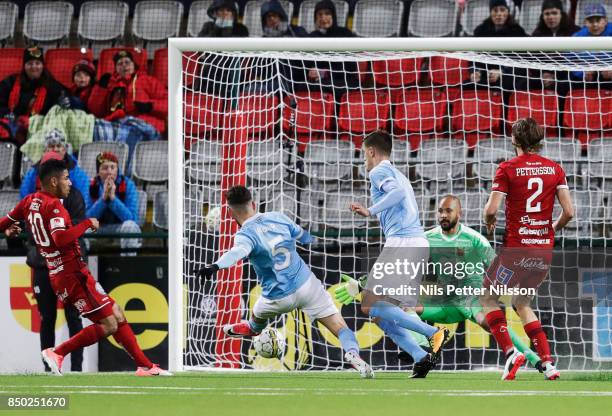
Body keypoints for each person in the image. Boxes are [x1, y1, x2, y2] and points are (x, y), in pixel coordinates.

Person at [336, 195, 542, 378]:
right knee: (386, 310)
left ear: (459, 213)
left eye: (448, 211)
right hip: (443, 302)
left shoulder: (475, 240)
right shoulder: (427, 238)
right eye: (440, 211)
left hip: (470, 299)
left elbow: (498, 270)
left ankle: (534, 359)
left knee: (490, 322)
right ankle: (420, 348)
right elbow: (397, 265)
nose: (443, 215)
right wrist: (365, 282)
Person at [0, 158, 170, 376]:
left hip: (66, 273)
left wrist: (10, 228)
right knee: (109, 324)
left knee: (116, 313)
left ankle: (145, 366)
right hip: (72, 275)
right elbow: (61, 239)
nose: (70, 183)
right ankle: (58, 352)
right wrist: (87, 224)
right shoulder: (54, 207)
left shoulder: (29, 201)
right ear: (53, 181)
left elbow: (5, 223)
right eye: (66, 179)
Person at [196, 185, 374, 378]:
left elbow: (237, 253)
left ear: (230, 213)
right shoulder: (278, 217)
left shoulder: (245, 234)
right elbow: (304, 236)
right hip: (307, 286)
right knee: (341, 328)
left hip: (277, 298)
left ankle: (252, 328)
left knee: (257, 317)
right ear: (253, 204)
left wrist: (214, 266)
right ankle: (353, 354)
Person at [348, 130, 449, 378]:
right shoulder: (400, 174)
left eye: (364, 154)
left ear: (371, 151)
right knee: (380, 313)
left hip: (403, 242)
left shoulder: (379, 171)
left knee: (370, 305)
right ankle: (420, 357)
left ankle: (433, 333)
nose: (364, 160)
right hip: (415, 243)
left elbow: (397, 195)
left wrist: (369, 211)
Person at [482, 118, 574, 380]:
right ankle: (548, 363)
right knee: (522, 302)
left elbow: (491, 210)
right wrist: (550, 230)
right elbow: (569, 212)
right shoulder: (555, 169)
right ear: (538, 140)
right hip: (541, 251)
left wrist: (489, 223)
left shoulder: (507, 168)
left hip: (515, 250)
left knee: (488, 297)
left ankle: (511, 352)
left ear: (514, 140)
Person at [22, 151, 86, 373]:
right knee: (47, 318)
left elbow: (77, 226)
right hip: (43, 265)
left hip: (68, 267)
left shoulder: (74, 196)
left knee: (73, 317)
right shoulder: (33, 202)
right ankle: (49, 369)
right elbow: (31, 233)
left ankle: (77, 369)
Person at [88, 50, 168, 135]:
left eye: (127, 62)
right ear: (116, 69)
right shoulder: (111, 85)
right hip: (117, 126)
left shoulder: (148, 81)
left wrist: (151, 106)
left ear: (134, 65)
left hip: (146, 125)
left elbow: (169, 104)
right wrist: (101, 89)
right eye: (120, 64)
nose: (124, 66)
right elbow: (95, 110)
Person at [0, 46, 66, 145]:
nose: (34, 67)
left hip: (37, 131)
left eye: (37, 63)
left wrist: (64, 103)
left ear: (43, 65)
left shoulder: (53, 86)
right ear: (24, 66)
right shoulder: (11, 82)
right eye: (29, 63)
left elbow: (64, 103)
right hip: (11, 127)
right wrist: (7, 113)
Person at [21, 129, 91, 209]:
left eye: (59, 146)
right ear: (46, 150)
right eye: (51, 146)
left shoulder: (77, 173)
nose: (55, 149)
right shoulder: (34, 172)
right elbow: (25, 196)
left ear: (64, 150)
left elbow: (82, 201)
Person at [86, 152, 141, 253]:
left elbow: (132, 219)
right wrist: (103, 199)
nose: (109, 172)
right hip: (99, 228)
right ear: (98, 171)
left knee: (130, 226)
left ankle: (129, 265)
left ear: (117, 169)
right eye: (105, 168)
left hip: (120, 227)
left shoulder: (128, 185)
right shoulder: (90, 186)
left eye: (113, 167)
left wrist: (113, 199)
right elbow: (86, 219)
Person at [571, 4, 612, 83]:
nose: (595, 25)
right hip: (586, 80)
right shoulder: (577, 37)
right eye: (591, 21)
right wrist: (581, 73)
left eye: (598, 20)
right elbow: (569, 60)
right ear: (585, 22)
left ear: (606, 20)